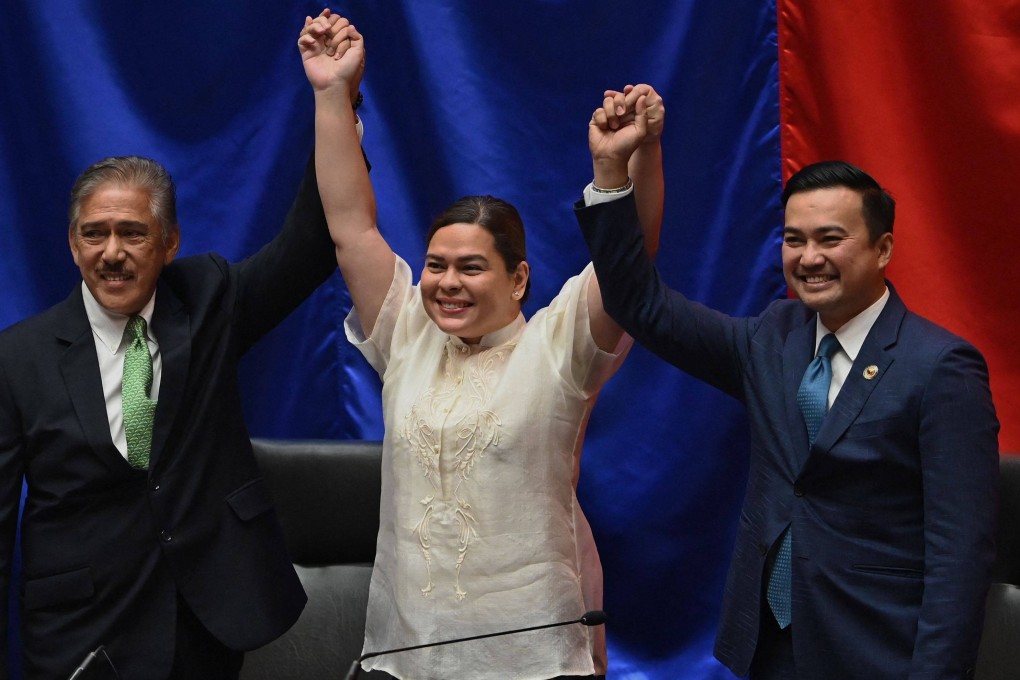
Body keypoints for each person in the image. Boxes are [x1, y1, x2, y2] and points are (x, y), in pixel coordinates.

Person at [299, 13, 665, 680]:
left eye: (471, 267)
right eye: (436, 264)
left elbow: (628, 262)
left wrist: (618, 167)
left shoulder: (558, 347)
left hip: (532, 657)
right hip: (406, 655)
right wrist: (331, 92)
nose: (445, 282)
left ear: (518, 278)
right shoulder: (407, 334)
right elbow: (350, 227)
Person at [0, 10, 361, 679]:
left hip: (203, 622)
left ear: (169, 244)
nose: (111, 252)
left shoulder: (208, 301)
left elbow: (310, 248)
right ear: (71, 242)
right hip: (81, 638)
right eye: (94, 233)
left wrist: (333, 96)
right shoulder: (16, 357)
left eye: (132, 233)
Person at [575, 117, 1000, 678]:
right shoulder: (775, 337)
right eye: (795, 240)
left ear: (883, 248)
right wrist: (610, 173)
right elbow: (642, 306)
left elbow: (960, 557)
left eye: (831, 238)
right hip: (770, 646)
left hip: (879, 652)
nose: (808, 257)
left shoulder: (941, 367)